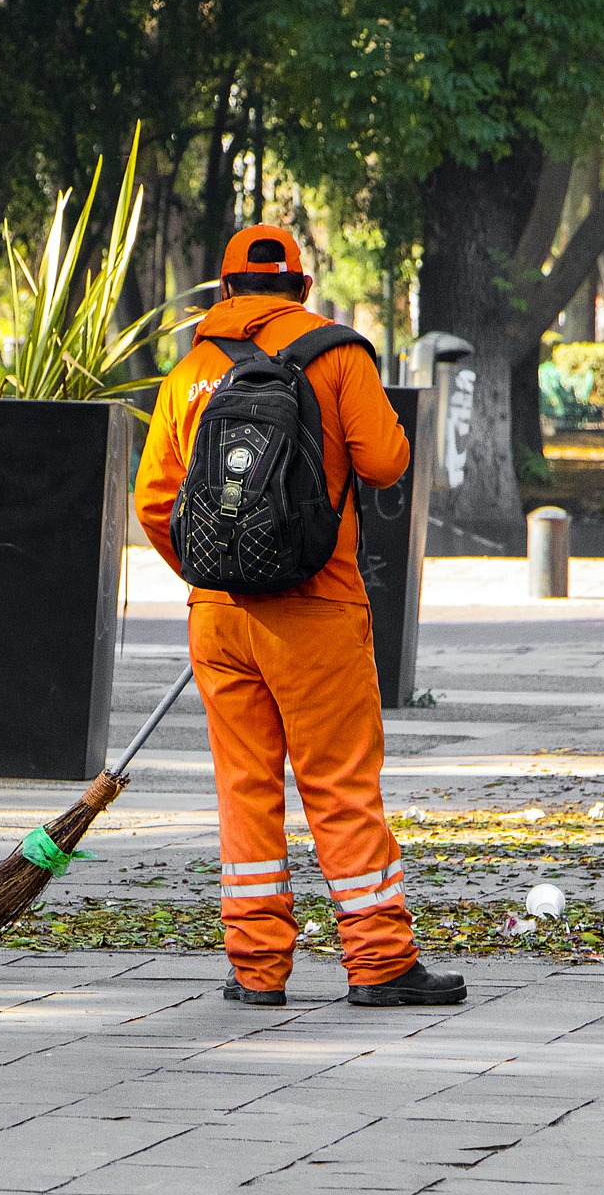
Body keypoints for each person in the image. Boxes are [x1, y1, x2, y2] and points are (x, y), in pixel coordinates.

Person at [133, 223, 465, 1008]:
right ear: (302, 290)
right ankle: (380, 962)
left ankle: (255, 969)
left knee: (246, 789)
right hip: (316, 609)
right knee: (341, 784)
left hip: (219, 617)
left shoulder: (190, 373)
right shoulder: (337, 354)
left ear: (224, 292)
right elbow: (387, 462)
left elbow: (154, 504)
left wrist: (221, 572)